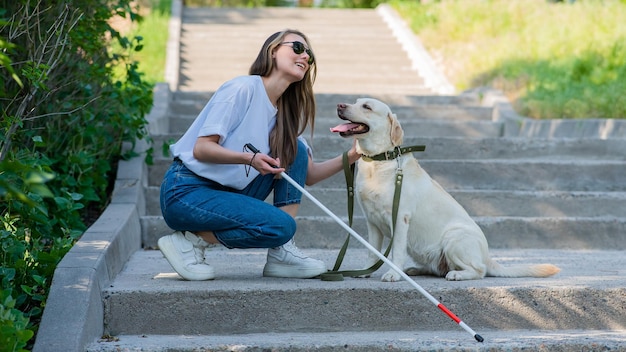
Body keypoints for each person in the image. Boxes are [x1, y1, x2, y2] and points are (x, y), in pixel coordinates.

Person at [158, 29, 360, 281]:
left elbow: (308, 175)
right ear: (273, 50)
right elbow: (202, 148)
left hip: (226, 193)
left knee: (294, 149)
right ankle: (191, 241)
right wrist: (250, 159)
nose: (306, 56)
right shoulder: (242, 88)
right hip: (187, 191)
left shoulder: (282, 114)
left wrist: (352, 156)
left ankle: (281, 251)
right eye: (298, 48)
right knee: (281, 226)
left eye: (310, 54)